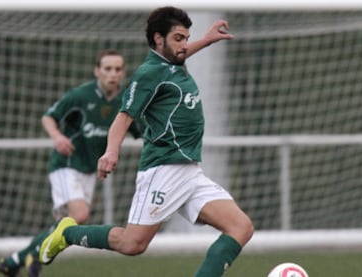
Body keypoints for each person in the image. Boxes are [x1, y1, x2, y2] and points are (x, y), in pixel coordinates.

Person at [39, 6, 254, 277]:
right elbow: (123, 117)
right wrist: (111, 152)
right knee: (132, 244)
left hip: (189, 171)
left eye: (187, 38)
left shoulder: (174, 61)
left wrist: (207, 40)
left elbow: (181, 53)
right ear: (157, 39)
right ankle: (67, 232)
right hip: (163, 170)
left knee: (241, 227)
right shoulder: (148, 73)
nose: (184, 45)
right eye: (178, 38)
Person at [0, 49, 143, 277]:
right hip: (66, 164)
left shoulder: (124, 103)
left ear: (123, 72)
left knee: (63, 225)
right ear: (97, 71)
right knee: (79, 215)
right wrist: (57, 137)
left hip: (88, 171)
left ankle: (16, 260)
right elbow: (49, 117)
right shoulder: (80, 96)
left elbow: (140, 131)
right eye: (107, 69)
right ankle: (30, 256)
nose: (112, 74)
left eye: (117, 69)